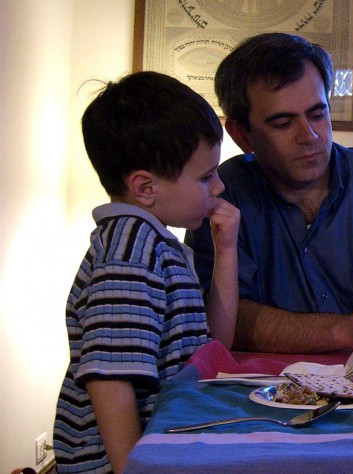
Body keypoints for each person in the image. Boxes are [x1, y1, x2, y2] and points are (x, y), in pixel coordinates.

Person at [185, 32, 353, 356]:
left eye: (318, 114)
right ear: (240, 134)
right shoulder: (219, 195)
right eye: (283, 123)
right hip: (266, 398)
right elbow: (222, 321)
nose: (309, 135)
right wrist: (346, 329)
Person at [53, 71, 240, 474]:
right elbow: (110, 380)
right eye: (206, 176)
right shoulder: (130, 255)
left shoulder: (155, 246)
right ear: (145, 188)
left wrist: (226, 252)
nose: (219, 187)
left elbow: (213, 351)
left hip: (163, 450)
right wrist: (131, 468)